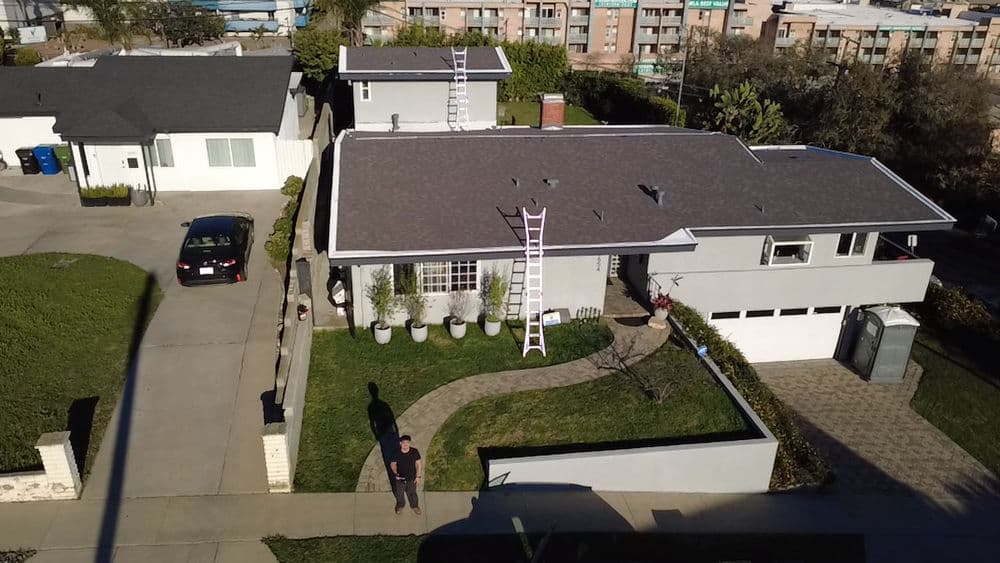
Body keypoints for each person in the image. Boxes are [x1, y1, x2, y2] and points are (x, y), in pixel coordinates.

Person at [389, 434, 423, 515]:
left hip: (412, 478)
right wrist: (396, 473)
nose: (405, 445)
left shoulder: (414, 452)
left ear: (409, 443)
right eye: (404, 443)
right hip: (400, 479)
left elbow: (419, 464)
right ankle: (400, 505)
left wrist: (418, 477)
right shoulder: (396, 453)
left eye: (407, 443)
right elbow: (393, 464)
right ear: (400, 443)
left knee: (412, 493)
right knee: (399, 494)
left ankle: (414, 506)